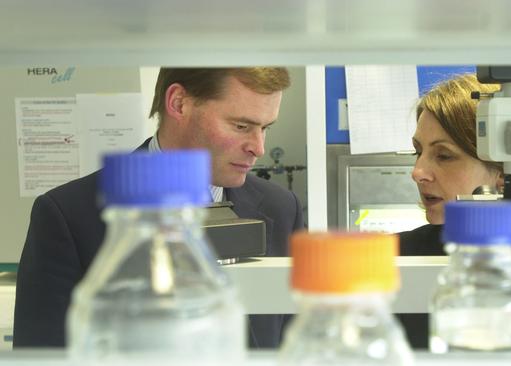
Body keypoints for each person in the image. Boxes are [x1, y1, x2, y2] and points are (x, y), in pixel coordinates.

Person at [13, 67, 304, 349]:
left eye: (265, 128)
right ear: (178, 103)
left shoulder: (281, 208)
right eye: (241, 126)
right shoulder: (68, 215)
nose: (259, 147)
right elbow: (40, 354)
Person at [397, 73, 502, 348]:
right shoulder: (394, 256)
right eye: (417, 152)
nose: (417, 172)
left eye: (443, 156)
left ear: (505, 172)